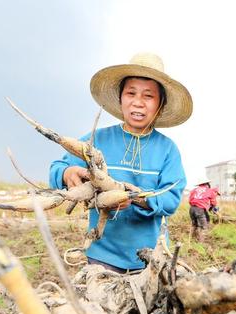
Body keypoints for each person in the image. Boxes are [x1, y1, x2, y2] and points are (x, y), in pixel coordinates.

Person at [49, 53, 191, 273]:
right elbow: (56, 168)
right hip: (101, 256)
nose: (138, 102)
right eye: (131, 93)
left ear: (160, 104)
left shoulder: (167, 149)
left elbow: (171, 198)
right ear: (120, 98)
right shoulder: (98, 139)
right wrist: (68, 173)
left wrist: (133, 197)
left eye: (148, 96)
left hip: (151, 258)